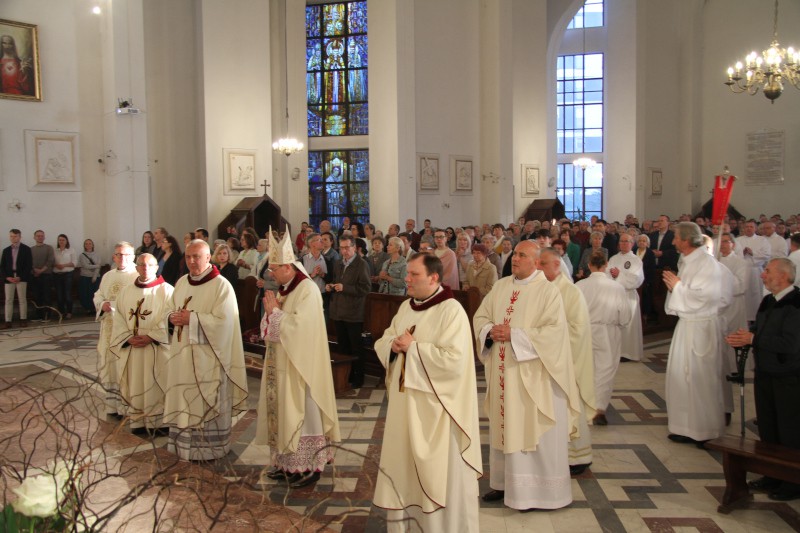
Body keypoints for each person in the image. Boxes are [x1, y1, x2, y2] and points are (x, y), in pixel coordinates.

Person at [373, 253, 482, 532]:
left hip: (436, 413)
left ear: (434, 278)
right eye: (407, 274)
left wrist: (415, 349)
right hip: (403, 407)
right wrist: (393, 346)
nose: (407, 279)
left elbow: (456, 361)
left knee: (436, 472)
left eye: (414, 275)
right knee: (403, 467)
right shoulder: (407, 307)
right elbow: (387, 336)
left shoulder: (451, 310)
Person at [473, 240, 581, 511]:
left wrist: (514, 335)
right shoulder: (501, 286)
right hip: (502, 375)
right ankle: (503, 484)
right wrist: (489, 331)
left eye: (522, 255)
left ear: (536, 261)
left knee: (530, 431)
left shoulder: (548, 292)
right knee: (504, 427)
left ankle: (538, 493)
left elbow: (555, 333)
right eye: (515, 255)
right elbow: (480, 317)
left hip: (534, 378)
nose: (515, 259)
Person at [255, 231, 340, 488]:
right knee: (284, 412)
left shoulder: (307, 290)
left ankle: (310, 466)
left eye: (275, 268)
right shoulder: (285, 289)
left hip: (303, 368)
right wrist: (271, 316)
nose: (271, 274)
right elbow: (272, 325)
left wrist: (276, 314)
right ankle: (287, 464)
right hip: (281, 364)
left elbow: (303, 330)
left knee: (304, 413)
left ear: (289, 267)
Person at [163, 240, 249, 461]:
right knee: (184, 398)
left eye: (197, 257)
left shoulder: (221, 286)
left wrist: (192, 318)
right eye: (189, 257)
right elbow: (170, 310)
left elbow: (226, 324)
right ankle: (182, 446)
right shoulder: (181, 282)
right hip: (183, 357)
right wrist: (171, 318)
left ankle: (210, 449)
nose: (192, 261)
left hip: (209, 359)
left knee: (206, 401)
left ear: (208, 257)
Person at [726, 258, 800, 502]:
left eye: (767, 271)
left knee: (788, 428)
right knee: (768, 426)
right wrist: (746, 336)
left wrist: (753, 339)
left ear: (783, 276)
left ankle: (791, 481)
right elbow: (760, 330)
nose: (762, 275)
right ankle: (770, 473)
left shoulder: (796, 303)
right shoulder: (769, 300)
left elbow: (791, 344)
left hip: (788, 375)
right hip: (765, 372)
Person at [663, 222, 725, 445]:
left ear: (687, 240)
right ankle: (685, 426)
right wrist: (677, 287)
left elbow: (705, 296)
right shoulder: (689, 261)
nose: (672, 241)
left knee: (699, 379)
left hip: (700, 328)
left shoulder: (706, 263)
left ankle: (704, 430)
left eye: (676, 237)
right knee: (681, 377)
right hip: (687, 325)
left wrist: (678, 287)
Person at [538, 248, 595, 475]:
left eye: (543, 263)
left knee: (571, 406)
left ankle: (579, 457)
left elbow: (578, 330)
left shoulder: (570, 292)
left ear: (557, 265)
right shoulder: (540, 289)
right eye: (538, 263)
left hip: (564, 360)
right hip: (544, 359)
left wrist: (547, 338)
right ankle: (554, 455)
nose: (539, 267)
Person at [109, 253, 174, 432]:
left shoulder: (167, 290)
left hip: (155, 348)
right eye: (141, 265)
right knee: (135, 383)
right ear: (136, 267)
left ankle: (158, 423)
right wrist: (126, 337)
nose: (145, 269)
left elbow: (170, 317)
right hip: (132, 348)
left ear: (156, 267)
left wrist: (152, 336)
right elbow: (119, 318)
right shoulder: (126, 291)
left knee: (156, 383)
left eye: (149, 265)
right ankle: (137, 421)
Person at [577, 251, 633, 426]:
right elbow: (625, 315)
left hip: (585, 330)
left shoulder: (580, 285)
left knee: (585, 368)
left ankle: (583, 405)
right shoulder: (616, 287)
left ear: (589, 265)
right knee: (605, 370)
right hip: (608, 332)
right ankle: (599, 409)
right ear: (606, 264)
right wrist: (620, 324)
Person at [93, 242, 139, 416]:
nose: (122, 258)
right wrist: (102, 304)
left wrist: (113, 305)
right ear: (113, 257)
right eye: (119, 254)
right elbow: (98, 294)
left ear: (132, 256)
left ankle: (127, 406)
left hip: (127, 330)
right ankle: (113, 405)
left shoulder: (137, 275)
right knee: (110, 366)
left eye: (126, 255)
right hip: (108, 329)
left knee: (126, 367)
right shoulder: (108, 276)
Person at [327, 235, 371, 388]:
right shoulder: (339, 263)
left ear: (354, 248)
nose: (344, 251)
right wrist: (331, 286)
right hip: (338, 310)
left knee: (355, 346)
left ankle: (358, 378)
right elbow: (336, 281)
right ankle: (346, 375)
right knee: (343, 346)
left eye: (347, 248)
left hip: (353, 312)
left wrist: (345, 288)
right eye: (342, 248)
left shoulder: (361, 264)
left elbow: (365, 288)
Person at [607, 233, 644, 362]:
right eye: (621, 241)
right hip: (614, 296)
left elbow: (636, 280)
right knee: (616, 324)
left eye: (626, 241)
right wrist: (613, 277)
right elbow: (607, 274)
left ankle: (628, 353)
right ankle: (616, 351)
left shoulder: (636, 260)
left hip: (628, 296)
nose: (623, 243)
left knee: (628, 326)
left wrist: (619, 275)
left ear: (632, 243)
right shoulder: (613, 258)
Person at [736, 220, 771, 322]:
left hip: (756, 270)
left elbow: (767, 254)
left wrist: (753, 253)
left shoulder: (762, 240)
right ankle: (744, 318)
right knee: (744, 294)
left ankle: (757, 317)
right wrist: (741, 253)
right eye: (746, 226)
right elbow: (734, 254)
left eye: (751, 227)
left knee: (756, 294)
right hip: (742, 271)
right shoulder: (738, 240)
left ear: (755, 228)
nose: (748, 228)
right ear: (743, 228)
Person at [2, 229, 32, 329]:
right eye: (11, 236)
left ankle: (23, 319)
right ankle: (8, 321)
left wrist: (21, 277)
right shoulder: (6, 250)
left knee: (22, 299)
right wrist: (7, 277)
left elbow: (28, 265)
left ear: (19, 237)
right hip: (9, 278)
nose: (13, 238)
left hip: (21, 277)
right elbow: (2, 266)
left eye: (15, 236)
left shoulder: (26, 249)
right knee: (8, 300)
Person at [30, 229, 55, 321]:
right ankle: (39, 316)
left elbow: (50, 261)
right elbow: (29, 262)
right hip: (35, 276)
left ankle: (47, 316)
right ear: (34, 237)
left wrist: (41, 271)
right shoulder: (31, 249)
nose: (40, 237)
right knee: (37, 296)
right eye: (38, 236)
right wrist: (35, 270)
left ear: (44, 237)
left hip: (46, 276)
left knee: (47, 296)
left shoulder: (49, 248)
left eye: (42, 235)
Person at [53, 234, 77, 319]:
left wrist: (63, 265)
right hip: (57, 275)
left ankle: (69, 312)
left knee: (67, 294)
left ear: (66, 241)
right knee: (59, 295)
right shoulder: (55, 250)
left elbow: (74, 263)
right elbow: (51, 262)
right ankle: (61, 313)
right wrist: (56, 265)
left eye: (63, 240)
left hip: (68, 274)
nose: (61, 241)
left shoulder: (71, 250)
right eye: (60, 240)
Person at [77, 239, 101, 315]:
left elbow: (98, 267)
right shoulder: (82, 255)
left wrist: (94, 277)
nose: (88, 245)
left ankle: (96, 308)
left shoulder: (97, 255)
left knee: (96, 294)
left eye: (90, 243)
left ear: (92, 245)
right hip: (85, 277)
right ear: (84, 245)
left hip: (95, 277)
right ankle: (88, 309)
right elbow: (85, 266)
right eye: (86, 244)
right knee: (86, 294)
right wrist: (97, 265)